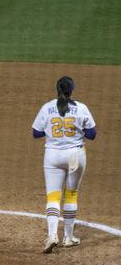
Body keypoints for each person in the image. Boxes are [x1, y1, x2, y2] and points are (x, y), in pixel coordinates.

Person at [31, 76, 97, 254]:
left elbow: (36, 133)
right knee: (71, 194)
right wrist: (76, 130)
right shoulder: (81, 108)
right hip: (75, 156)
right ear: (72, 90)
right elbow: (92, 134)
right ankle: (69, 238)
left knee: (53, 196)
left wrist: (53, 131)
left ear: (57, 89)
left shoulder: (47, 107)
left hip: (53, 156)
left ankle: (52, 235)